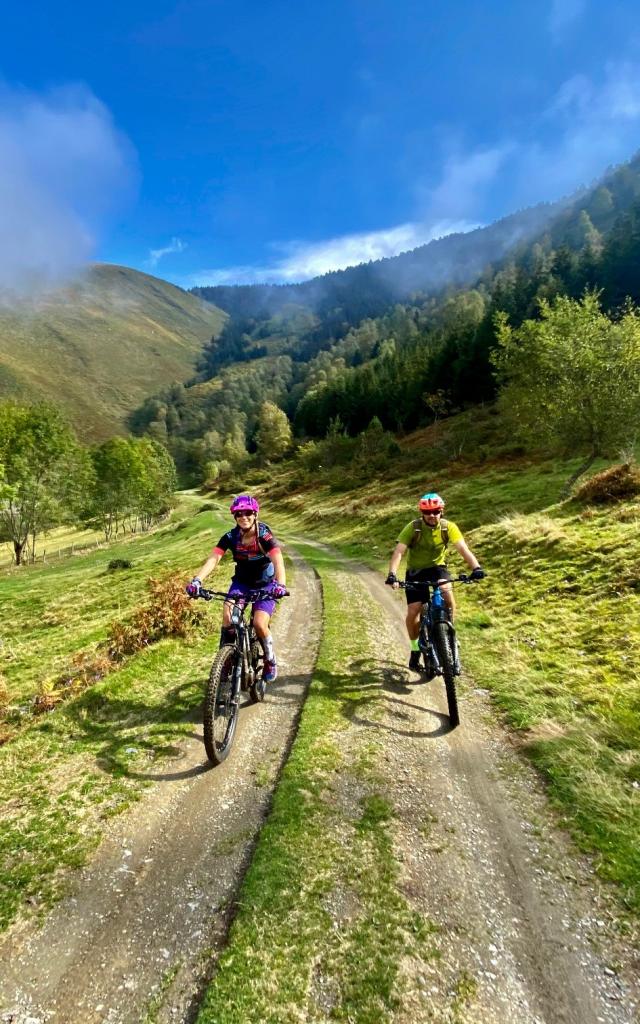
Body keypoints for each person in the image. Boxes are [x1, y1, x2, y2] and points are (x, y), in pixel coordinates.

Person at [186, 494, 287, 682]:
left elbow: (278, 560)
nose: (244, 517)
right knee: (227, 616)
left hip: (266, 585)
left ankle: (270, 659)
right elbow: (214, 558)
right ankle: (225, 659)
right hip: (241, 584)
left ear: (255, 514)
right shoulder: (230, 537)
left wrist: (280, 584)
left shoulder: (264, 535)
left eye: (248, 512)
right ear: (234, 517)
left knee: (259, 624)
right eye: (239, 514)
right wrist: (197, 581)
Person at [385, 492, 484, 670]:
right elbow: (399, 552)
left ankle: (449, 633)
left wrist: (476, 568)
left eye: (436, 511)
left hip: (438, 568)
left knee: (447, 595)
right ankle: (415, 649)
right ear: (422, 512)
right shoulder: (413, 527)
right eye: (427, 512)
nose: (432, 515)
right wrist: (392, 574)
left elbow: (462, 548)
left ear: (441, 511)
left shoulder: (448, 527)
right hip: (416, 572)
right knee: (414, 610)